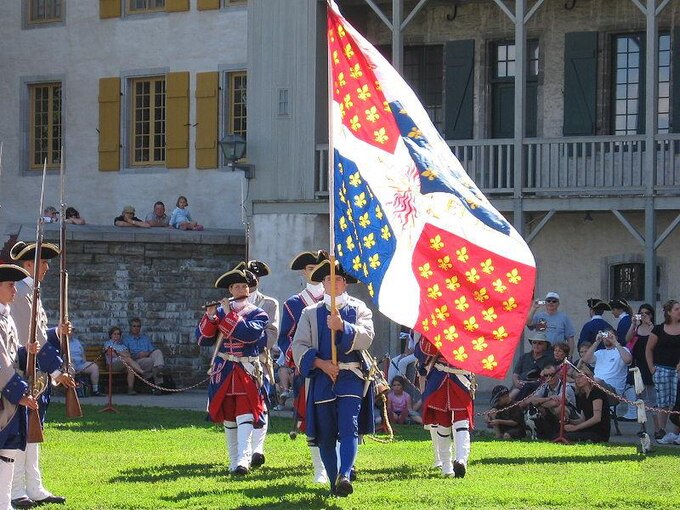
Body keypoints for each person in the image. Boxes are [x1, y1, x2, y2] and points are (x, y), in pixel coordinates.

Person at [292, 259, 375, 497]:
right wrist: (321, 363)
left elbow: (367, 337)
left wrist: (343, 327)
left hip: (350, 376)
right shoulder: (310, 313)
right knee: (326, 435)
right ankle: (333, 483)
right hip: (321, 378)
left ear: (345, 283)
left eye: (338, 279)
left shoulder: (359, 308)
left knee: (349, 426)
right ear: (323, 283)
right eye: (329, 279)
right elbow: (299, 346)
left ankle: (345, 474)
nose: (334, 283)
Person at [9, 241, 75, 507]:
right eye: (43, 263)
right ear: (28, 265)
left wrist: (57, 333)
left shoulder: (30, 290)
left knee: (33, 431)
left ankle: (33, 486)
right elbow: (29, 338)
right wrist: (58, 371)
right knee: (20, 432)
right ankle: (15, 490)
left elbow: (40, 333)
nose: (47, 267)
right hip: (23, 371)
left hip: (34, 372)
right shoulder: (23, 291)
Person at [196, 268, 268, 474]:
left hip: (246, 369)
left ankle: (243, 460)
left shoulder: (258, 313)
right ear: (230, 289)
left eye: (244, 286)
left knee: (245, 413)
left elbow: (248, 334)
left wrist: (228, 314)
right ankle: (233, 459)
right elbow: (202, 340)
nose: (241, 289)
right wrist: (210, 318)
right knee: (228, 415)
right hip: (224, 369)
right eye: (237, 286)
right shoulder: (218, 312)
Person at [276, 250, 328, 483]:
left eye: (320, 269)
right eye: (310, 269)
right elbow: (286, 339)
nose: (316, 273)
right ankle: (320, 468)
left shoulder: (338, 299)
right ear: (303, 272)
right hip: (308, 370)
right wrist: (303, 359)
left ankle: (344, 463)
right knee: (312, 419)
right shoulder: (293, 304)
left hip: (338, 369)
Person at [0, 264, 40, 510]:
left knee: (8, 451)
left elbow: (12, 354)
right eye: (9, 285)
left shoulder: (6, 315)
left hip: (8, 395)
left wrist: (27, 353)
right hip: (5, 395)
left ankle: (4, 503)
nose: (15, 290)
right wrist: (21, 393)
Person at [239, 260, 280, 469]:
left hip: (259, 362)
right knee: (238, 409)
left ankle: (257, 449)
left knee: (260, 405)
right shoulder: (231, 303)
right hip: (235, 362)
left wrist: (248, 338)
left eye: (253, 278)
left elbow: (271, 335)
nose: (250, 281)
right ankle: (241, 454)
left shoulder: (269, 303)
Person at [415, 334, 474, 478]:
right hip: (439, 376)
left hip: (461, 375)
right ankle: (446, 465)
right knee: (442, 422)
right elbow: (424, 350)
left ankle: (461, 460)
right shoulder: (436, 320)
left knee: (462, 420)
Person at [646, 299, 680, 445]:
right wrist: (652, 368)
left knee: (677, 402)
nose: (679, 311)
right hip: (662, 369)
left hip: (678, 370)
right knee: (663, 402)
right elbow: (649, 349)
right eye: (677, 309)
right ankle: (662, 430)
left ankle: (676, 432)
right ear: (669, 312)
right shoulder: (659, 329)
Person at [624, 304, 659, 432]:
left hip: (650, 365)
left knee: (653, 399)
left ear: (651, 315)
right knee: (640, 399)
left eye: (647, 313)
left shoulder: (655, 328)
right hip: (638, 367)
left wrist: (649, 324)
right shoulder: (637, 328)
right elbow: (627, 339)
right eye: (642, 313)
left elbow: (658, 343)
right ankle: (642, 427)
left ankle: (657, 428)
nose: (644, 315)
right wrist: (633, 324)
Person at [525, 364, 578, 439]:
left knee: (560, 408)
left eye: (552, 375)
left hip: (573, 418)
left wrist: (539, 403)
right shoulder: (545, 386)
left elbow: (556, 402)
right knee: (539, 409)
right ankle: (545, 434)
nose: (549, 378)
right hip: (552, 414)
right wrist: (547, 399)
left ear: (558, 374)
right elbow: (531, 400)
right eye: (546, 375)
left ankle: (564, 433)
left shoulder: (566, 386)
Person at [564, 364, 611, 443]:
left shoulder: (596, 392)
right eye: (576, 377)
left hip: (599, 432)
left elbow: (596, 418)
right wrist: (569, 421)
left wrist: (575, 428)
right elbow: (583, 419)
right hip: (588, 429)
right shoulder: (582, 395)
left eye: (581, 376)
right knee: (560, 434)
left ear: (588, 377)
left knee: (567, 438)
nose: (578, 380)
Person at [580, 329, 632, 398]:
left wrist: (615, 342)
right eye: (605, 336)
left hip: (613, 391)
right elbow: (586, 360)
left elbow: (628, 360)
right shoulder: (599, 353)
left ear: (616, 337)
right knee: (573, 385)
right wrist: (597, 341)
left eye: (610, 335)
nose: (607, 338)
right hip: (595, 385)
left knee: (594, 382)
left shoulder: (623, 350)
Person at [510, 330, 555, 401]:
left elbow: (549, 375)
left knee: (520, 392)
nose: (536, 345)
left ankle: (517, 408)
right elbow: (515, 373)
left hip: (537, 386)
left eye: (540, 343)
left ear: (545, 346)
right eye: (534, 342)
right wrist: (516, 382)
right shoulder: (524, 357)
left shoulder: (548, 359)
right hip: (521, 384)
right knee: (508, 395)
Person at [123, 318, 165, 392]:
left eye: (138, 326)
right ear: (130, 327)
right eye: (134, 326)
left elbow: (152, 350)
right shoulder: (126, 339)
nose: (136, 328)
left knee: (157, 352)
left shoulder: (145, 338)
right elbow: (126, 356)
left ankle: (159, 369)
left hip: (148, 358)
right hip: (136, 361)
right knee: (152, 361)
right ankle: (159, 386)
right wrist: (138, 355)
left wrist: (147, 353)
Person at [103, 326, 145, 395]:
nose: (117, 336)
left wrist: (118, 352)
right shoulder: (108, 344)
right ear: (111, 335)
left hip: (123, 364)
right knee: (127, 360)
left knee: (130, 368)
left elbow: (128, 355)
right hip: (112, 365)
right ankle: (142, 373)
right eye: (115, 334)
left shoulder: (122, 345)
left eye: (118, 334)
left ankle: (130, 389)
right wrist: (121, 353)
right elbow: (112, 354)